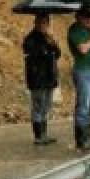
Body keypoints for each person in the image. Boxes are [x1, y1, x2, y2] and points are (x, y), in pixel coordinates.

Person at [67, 5, 90, 151]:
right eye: (87, 17)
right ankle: (81, 141)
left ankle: (87, 139)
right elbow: (83, 49)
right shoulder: (75, 30)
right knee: (83, 105)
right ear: (79, 17)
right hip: (84, 71)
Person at [22, 13, 61, 146]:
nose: (43, 25)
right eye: (41, 22)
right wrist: (47, 48)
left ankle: (44, 134)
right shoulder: (30, 39)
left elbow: (58, 54)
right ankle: (38, 136)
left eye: (45, 23)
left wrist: (53, 43)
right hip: (37, 78)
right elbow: (35, 56)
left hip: (49, 77)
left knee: (46, 106)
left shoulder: (49, 38)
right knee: (38, 106)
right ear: (36, 23)